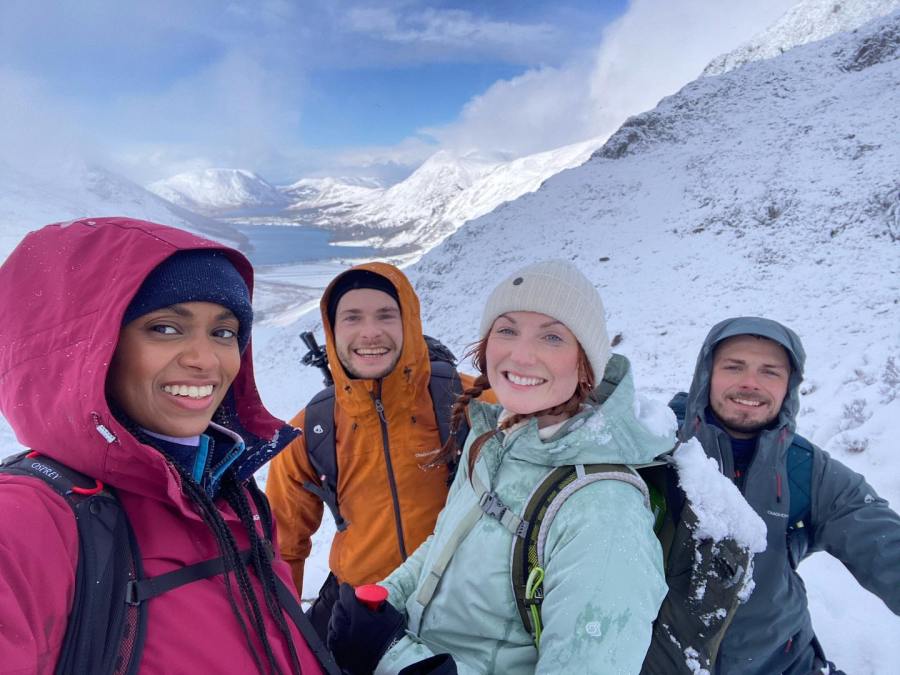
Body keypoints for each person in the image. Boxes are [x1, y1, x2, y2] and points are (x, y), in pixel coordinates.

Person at [0, 217, 333, 674]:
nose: (205, 360)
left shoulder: (231, 495)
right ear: (87, 347)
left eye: (223, 332)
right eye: (165, 328)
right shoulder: (26, 520)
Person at [327, 259, 676, 674]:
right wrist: (384, 598)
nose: (522, 354)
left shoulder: (605, 512)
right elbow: (444, 542)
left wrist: (393, 655)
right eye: (507, 329)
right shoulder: (494, 437)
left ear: (586, 362)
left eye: (552, 336)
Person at [665, 316, 900, 674]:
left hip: (780, 662)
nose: (750, 383)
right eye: (734, 367)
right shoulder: (656, 448)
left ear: (789, 385)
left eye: (770, 372)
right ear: (706, 375)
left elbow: (880, 539)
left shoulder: (808, 470)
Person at [266, 263, 489, 639]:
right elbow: (282, 550)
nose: (370, 332)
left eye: (386, 315)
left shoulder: (471, 403)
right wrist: (280, 639)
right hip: (358, 612)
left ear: (409, 323)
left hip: (463, 609)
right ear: (333, 331)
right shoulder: (311, 429)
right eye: (352, 317)